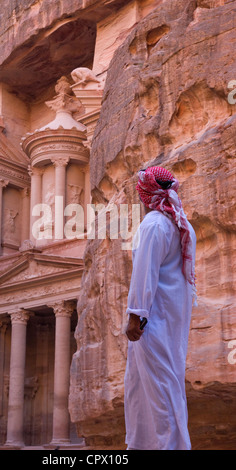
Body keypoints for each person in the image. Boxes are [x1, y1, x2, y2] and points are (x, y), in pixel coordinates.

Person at [124, 166, 197, 450]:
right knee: (144, 389)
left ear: (146, 195)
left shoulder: (153, 223)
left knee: (159, 391)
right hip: (170, 320)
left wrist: (136, 316)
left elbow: (145, 272)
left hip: (151, 323)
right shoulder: (181, 223)